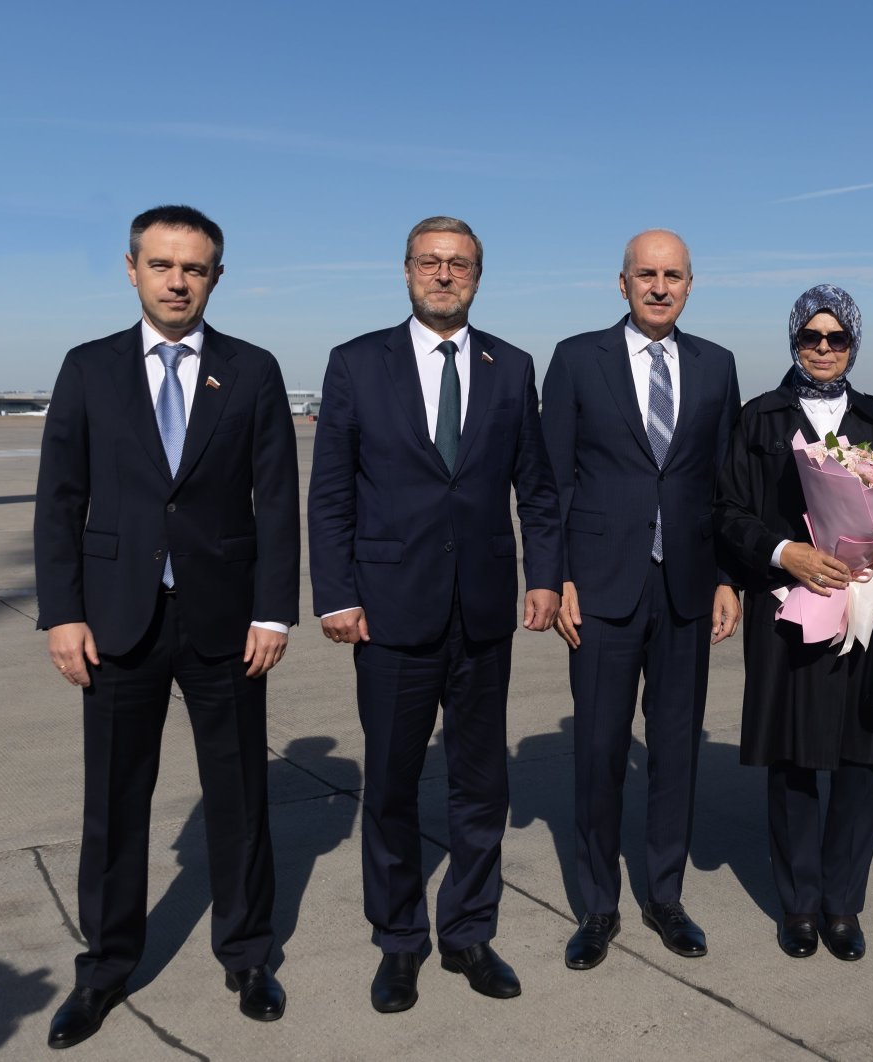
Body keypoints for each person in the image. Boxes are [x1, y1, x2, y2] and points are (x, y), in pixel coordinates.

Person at [34, 205, 300, 1049]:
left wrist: (272, 609)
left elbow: (277, 501)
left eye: (194, 268)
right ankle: (106, 970)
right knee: (113, 803)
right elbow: (60, 502)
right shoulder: (88, 369)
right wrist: (63, 613)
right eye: (162, 265)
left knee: (241, 798)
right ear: (132, 269)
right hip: (117, 622)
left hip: (225, 619)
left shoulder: (251, 371)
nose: (178, 281)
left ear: (216, 277)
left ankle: (249, 955)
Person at [306, 216, 563, 1013]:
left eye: (459, 264)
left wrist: (546, 577)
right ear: (406, 270)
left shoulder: (512, 367)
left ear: (478, 276)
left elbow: (540, 489)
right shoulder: (356, 364)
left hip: (483, 611)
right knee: (389, 784)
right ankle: (398, 942)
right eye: (430, 261)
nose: (444, 274)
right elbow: (332, 494)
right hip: (388, 612)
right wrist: (338, 594)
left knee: (482, 785)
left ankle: (469, 932)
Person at [540, 230, 742, 970]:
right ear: (621, 283)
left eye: (674, 276)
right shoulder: (574, 359)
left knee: (678, 747)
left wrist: (727, 577)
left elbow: (728, 487)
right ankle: (598, 905)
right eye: (646, 275)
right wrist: (556, 575)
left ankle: (665, 895)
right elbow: (550, 479)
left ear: (691, 284)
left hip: (687, 584)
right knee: (597, 748)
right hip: (598, 585)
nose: (660, 287)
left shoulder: (717, 366)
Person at [714, 284, 873, 961]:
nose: (825, 349)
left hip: (868, 609)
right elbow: (726, 513)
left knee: (863, 762)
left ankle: (844, 904)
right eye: (813, 337)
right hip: (788, 609)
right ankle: (800, 905)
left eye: (838, 339)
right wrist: (786, 553)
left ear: (854, 344)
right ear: (795, 341)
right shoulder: (759, 419)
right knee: (795, 759)